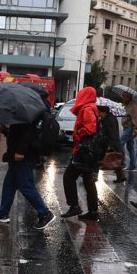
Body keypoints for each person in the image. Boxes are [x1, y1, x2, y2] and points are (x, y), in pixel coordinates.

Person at [0, 121, 55, 230]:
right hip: (17, 156)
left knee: (25, 185)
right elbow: (18, 133)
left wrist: (20, 151)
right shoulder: (20, 115)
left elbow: (28, 133)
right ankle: (2, 213)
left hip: (24, 157)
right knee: (9, 184)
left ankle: (45, 213)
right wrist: (6, 131)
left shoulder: (27, 117)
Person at [60, 87, 101, 221]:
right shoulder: (93, 108)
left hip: (83, 151)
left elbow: (90, 128)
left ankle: (74, 206)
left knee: (69, 177)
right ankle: (93, 211)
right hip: (90, 152)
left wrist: (78, 132)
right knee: (88, 181)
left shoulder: (87, 109)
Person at [98, 103, 126, 183]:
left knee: (113, 159)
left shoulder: (109, 120)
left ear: (104, 112)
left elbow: (112, 133)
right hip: (114, 143)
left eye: (100, 112)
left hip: (112, 143)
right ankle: (121, 177)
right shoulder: (109, 118)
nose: (99, 114)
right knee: (116, 160)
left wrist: (110, 145)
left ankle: (93, 176)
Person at [119, 90, 137, 171]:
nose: (122, 98)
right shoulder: (128, 104)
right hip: (127, 128)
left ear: (128, 97)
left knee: (120, 143)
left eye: (124, 96)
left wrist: (136, 130)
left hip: (130, 128)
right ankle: (132, 166)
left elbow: (136, 118)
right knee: (130, 147)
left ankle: (123, 163)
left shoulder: (133, 106)